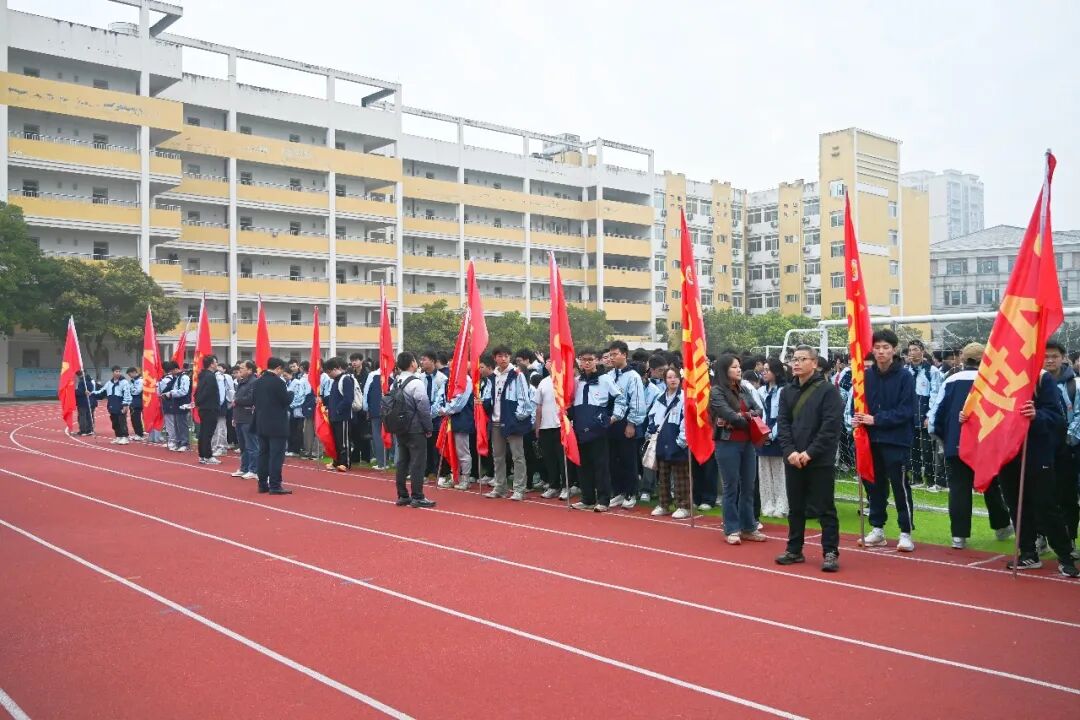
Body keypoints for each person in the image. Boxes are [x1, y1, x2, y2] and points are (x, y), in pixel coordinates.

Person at [991, 368, 1078, 577]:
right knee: (1016, 505)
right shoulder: (994, 374)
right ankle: (1028, 552)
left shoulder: (1040, 377)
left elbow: (1057, 418)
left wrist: (1036, 415)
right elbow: (984, 409)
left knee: (1046, 504)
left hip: (1037, 452)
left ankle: (1065, 555)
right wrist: (967, 416)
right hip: (1006, 452)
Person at [931, 343, 1014, 548]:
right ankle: (1002, 526)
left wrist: (945, 439)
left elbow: (935, 417)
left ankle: (959, 536)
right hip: (986, 446)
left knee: (959, 489)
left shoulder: (950, 380)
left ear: (962, 358)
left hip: (956, 444)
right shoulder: (994, 381)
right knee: (991, 486)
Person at [775, 345, 844, 572]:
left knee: (825, 508)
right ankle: (794, 549)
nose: (796, 363)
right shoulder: (786, 391)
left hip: (819, 460)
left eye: (802, 359)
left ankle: (830, 551)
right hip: (794, 459)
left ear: (814, 363)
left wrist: (810, 452)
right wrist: (791, 452)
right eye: (794, 359)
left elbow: (830, 427)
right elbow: (783, 424)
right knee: (795, 507)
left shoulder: (828, 391)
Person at [855, 329, 917, 552]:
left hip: (896, 440)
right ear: (872, 349)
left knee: (900, 486)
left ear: (894, 350)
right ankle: (877, 528)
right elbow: (859, 405)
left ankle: (906, 532)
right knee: (874, 486)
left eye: (886, 347)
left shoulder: (905, 376)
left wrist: (877, 419)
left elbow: (907, 410)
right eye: (877, 347)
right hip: (871, 440)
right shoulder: (865, 376)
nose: (881, 352)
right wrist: (857, 419)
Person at [710, 354, 765, 545]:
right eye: (734, 367)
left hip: (748, 443)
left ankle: (748, 526)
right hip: (727, 443)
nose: (739, 369)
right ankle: (732, 528)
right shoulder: (717, 391)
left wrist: (743, 416)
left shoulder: (744, 389)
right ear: (724, 370)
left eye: (739, 366)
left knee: (748, 486)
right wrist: (746, 417)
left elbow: (759, 410)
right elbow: (729, 415)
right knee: (731, 487)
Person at [570, 348, 623, 511]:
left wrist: (614, 417)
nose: (587, 362)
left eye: (590, 359)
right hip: (579, 429)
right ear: (579, 361)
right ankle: (587, 499)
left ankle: (603, 500)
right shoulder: (576, 381)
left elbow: (620, 398)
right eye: (583, 359)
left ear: (597, 360)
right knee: (583, 466)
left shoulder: (605, 379)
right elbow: (569, 402)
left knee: (601, 466)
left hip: (598, 429)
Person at [481, 346, 536, 502]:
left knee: (518, 456)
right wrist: (483, 404)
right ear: (495, 358)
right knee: (498, 456)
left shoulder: (517, 374)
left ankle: (519, 489)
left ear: (510, 357)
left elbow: (525, 399)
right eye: (500, 356)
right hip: (496, 421)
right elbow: (488, 396)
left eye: (506, 355)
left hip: (511, 421)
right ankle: (500, 487)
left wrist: (516, 417)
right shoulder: (492, 377)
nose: (503, 359)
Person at [604, 341, 647, 509]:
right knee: (613, 459)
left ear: (624, 355)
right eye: (610, 355)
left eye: (615, 354)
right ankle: (618, 492)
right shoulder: (609, 375)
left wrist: (631, 424)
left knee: (628, 459)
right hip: (611, 422)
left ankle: (630, 493)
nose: (612, 358)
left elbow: (637, 401)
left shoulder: (633, 376)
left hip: (626, 422)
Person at [1045, 341, 1079, 550]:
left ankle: (1069, 538)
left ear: (1063, 358)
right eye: (1046, 356)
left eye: (1054, 356)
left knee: (1067, 495)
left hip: (1068, 448)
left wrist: (1068, 437)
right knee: (1042, 495)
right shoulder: (1033, 382)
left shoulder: (1074, 384)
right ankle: (1041, 536)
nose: (1050, 360)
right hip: (1041, 447)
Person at [390, 352, 436, 508]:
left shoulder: (395, 381)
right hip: (415, 428)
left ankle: (403, 495)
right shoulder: (416, 383)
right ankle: (417, 496)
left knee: (402, 462)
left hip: (400, 427)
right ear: (412, 363)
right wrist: (428, 427)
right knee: (417, 463)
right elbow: (423, 407)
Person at [648, 368, 692, 519]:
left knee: (681, 476)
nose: (672, 380)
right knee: (663, 474)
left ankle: (684, 505)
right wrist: (652, 429)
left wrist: (682, 440)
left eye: (675, 377)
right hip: (662, 439)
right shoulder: (660, 397)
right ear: (665, 380)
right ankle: (664, 504)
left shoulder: (684, 397)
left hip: (677, 439)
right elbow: (653, 415)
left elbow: (687, 419)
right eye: (669, 377)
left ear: (680, 379)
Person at [906, 339, 944, 491]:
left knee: (927, 449)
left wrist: (929, 415)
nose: (912, 353)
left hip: (925, 412)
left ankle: (930, 479)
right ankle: (916, 478)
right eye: (910, 350)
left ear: (922, 351)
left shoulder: (932, 371)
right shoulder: (906, 371)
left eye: (915, 349)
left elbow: (936, 394)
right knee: (912, 447)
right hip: (910, 414)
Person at [251, 357, 293, 495]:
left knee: (263, 454)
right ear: (278, 368)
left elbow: (254, 400)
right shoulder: (278, 382)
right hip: (277, 424)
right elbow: (285, 400)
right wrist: (291, 394)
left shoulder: (258, 382)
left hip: (261, 422)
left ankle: (262, 484)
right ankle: (275, 484)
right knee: (276, 456)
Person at [756, 358, 789, 518]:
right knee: (764, 472)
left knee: (779, 472)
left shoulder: (784, 390)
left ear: (776, 372)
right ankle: (767, 504)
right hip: (762, 435)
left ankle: (782, 506)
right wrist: (762, 432)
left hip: (778, 436)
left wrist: (772, 433)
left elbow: (783, 416)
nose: (764, 372)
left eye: (768, 369)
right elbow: (758, 413)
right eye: (763, 369)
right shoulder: (761, 391)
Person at [534, 358, 566, 500]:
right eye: (548, 361)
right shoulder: (543, 382)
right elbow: (539, 406)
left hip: (561, 426)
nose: (550, 363)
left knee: (562, 459)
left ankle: (566, 486)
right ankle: (553, 485)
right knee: (549, 458)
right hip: (545, 426)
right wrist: (537, 426)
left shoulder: (565, 380)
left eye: (554, 360)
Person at [442, 363, 477, 491]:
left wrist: (445, 410)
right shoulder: (450, 380)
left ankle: (465, 478)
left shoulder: (466, 380)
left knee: (462, 451)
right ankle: (455, 476)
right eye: (451, 366)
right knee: (452, 450)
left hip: (462, 419)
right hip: (451, 418)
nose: (451, 368)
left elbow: (460, 403)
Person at [420, 350, 449, 485]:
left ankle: (440, 472)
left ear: (432, 361)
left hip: (437, 416)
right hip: (423, 415)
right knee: (425, 445)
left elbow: (441, 398)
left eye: (424, 359)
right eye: (421, 359)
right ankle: (426, 472)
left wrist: (432, 412)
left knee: (437, 446)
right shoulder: (420, 378)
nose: (422, 362)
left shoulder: (442, 378)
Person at [230, 360, 259, 480]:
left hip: (248, 417)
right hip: (239, 416)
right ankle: (244, 468)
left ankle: (254, 470)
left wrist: (237, 401)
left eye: (242, 368)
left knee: (251, 445)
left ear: (250, 370)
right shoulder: (241, 381)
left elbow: (250, 399)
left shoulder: (254, 382)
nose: (240, 370)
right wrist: (234, 417)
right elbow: (237, 398)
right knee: (242, 445)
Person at [326, 358, 355, 472]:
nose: (328, 375)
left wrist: (338, 410)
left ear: (335, 369)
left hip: (343, 417)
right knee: (336, 441)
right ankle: (336, 461)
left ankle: (345, 462)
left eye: (329, 372)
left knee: (343, 441)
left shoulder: (346, 379)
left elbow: (348, 399)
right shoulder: (335, 381)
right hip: (334, 416)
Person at [93, 366, 132, 444]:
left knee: (122, 422)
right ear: (113, 372)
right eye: (116, 371)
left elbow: (127, 394)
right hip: (112, 405)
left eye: (119, 371)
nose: (118, 373)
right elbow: (102, 391)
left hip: (120, 405)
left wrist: (125, 404)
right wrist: (91, 393)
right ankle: (118, 436)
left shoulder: (124, 382)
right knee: (115, 422)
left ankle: (125, 437)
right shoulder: (109, 383)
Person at [194, 355, 221, 464]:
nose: (217, 364)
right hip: (210, 408)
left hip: (203, 408)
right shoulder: (210, 376)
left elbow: (198, 392)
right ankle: (208, 455)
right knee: (208, 433)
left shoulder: (203, 375)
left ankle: (202, 455)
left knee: (203, 432)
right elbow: (207, 392)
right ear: (211, 364)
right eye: (215, 362)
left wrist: (198, 402)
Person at [159, 361, 191, 452]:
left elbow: (184, 391)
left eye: (172, 371)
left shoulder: (184, 377)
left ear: (176, 369)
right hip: (176, 403)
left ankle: (185, 443)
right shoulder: (177, 378)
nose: (171, 373)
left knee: (182, 424)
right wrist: (167, 394)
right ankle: (179, 441)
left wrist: (171, 394)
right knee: (177, 424)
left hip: (183, 403)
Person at [361, 365, 389, 470]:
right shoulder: (390, 375)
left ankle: (382, 462)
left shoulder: (372, 375)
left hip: (376, 410)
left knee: (377, 435)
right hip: (389, 410)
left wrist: (366, 408)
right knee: (388, 435)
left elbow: (366, 393)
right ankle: (387, 460)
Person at [286, 364, 310, 457]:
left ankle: (296, 449)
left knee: (297, 430)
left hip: (297, 409)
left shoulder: (297, 382)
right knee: (291, 429)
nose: (285, 377)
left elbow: (300, 396)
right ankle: (290, 448)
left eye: (286, 375)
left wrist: (292, 405)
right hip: (291, 408)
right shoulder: (289, 382)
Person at [211, 362, 233, 457]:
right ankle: (214, 446)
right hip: (214, 405)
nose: (218, 368)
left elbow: (229, 391)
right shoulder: (213, 376)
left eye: (220, 366)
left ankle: (221, 447)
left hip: (221, 404)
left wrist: (227, 402)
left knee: (221, 427)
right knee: (214, 427)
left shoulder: (225, 377)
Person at [74, 370, 98, 436]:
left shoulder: (82, 382)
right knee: (89, 416)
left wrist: (74, 391)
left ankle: (83, 430)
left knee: (82, 416)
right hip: (91, 401)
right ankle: (90, 430)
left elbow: (81, 392)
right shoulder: (91, 381)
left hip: (83, 402)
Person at [125, 367, 145, 441]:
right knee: (133, 419)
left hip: (138, 401)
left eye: (130, 374)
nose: (129, 376)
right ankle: (137, 433)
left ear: (134, 372)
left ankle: (140, 434)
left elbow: (137, 391)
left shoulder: (140, 380)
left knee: (136, 418)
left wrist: (131, 390)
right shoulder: (132, 381)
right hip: (132, 401)